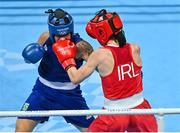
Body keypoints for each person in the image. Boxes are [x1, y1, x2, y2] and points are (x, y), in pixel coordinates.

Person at [52, 9, 158, 132]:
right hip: (141, 111)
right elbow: (122, 73)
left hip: (114, 114)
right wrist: (88, 58)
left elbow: (75, 78)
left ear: (102, 32)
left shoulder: (100, 54)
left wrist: (67, 59)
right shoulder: (135, 48)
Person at [15, 8, 94, 132]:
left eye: (66, 34)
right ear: (52, 32)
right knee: (21, 128)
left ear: (71, 30)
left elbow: (98, 66)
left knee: (95, 131)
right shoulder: (45, 37)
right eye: (58, 35)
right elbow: (30, 60)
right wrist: (30, 57)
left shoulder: (81, 46)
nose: (63, 38)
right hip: (42, 92)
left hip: (70, 96)